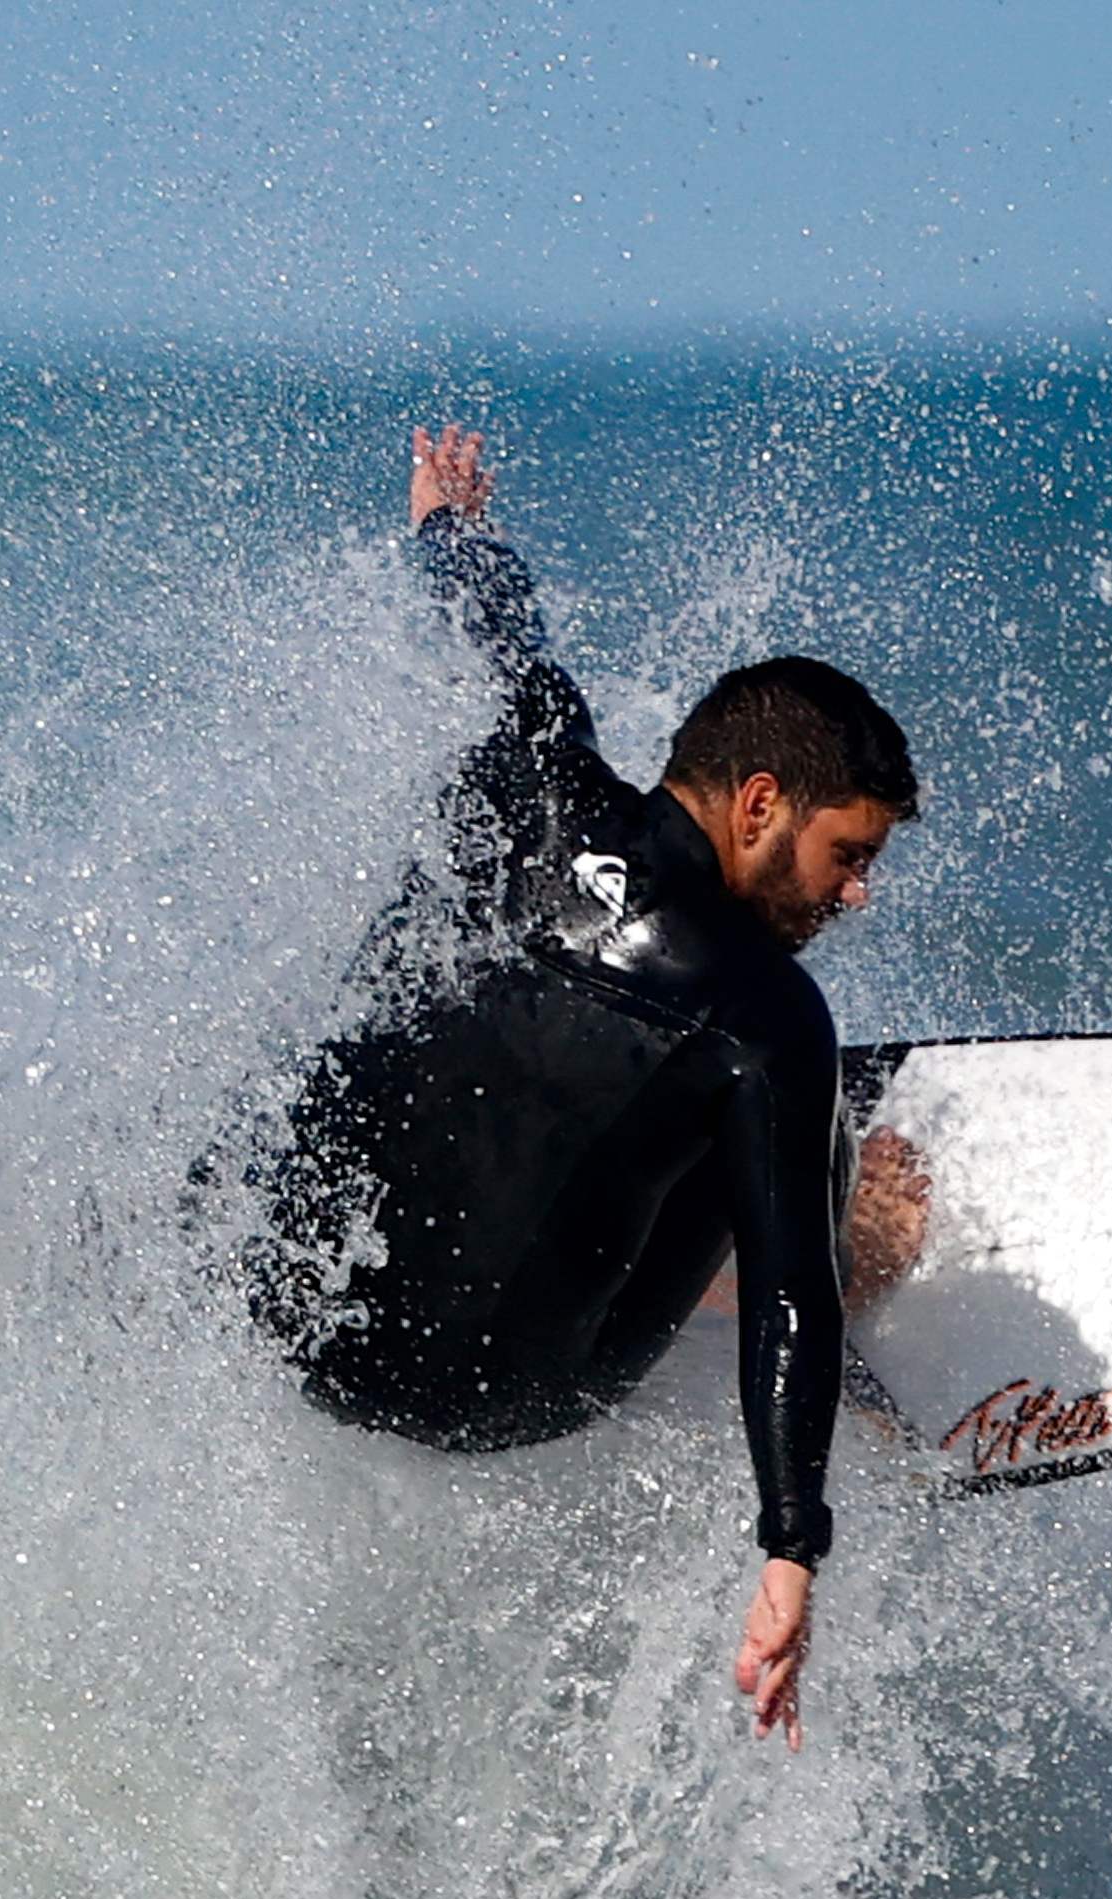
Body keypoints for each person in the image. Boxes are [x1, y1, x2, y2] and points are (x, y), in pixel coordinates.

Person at [254, 425, 929, 1749]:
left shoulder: (534, 770)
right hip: (495, 1399)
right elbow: (791, 1307)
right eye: (847, 855)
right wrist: (792, 1545)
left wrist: (446, 525)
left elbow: (500, 628)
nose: (858, 894)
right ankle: (844, 1214)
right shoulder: (767, 1012)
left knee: (395, 1008)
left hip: (300, 1327)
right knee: (781, 1118)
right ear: (756, 804)